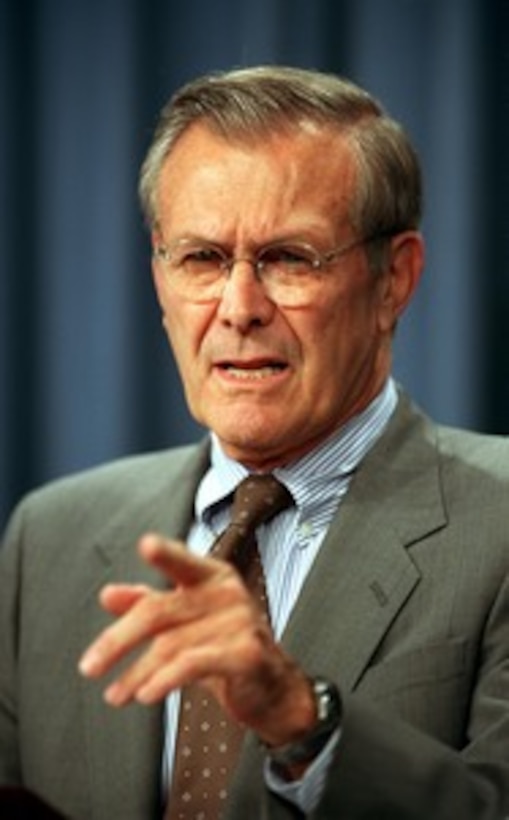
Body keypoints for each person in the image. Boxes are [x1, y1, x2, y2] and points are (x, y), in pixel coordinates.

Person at [0, 65, 508, 820]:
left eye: (288, 258)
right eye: (202, 258)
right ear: (158, 277)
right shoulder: (51, 535)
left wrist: (305, 721)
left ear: (393, 280)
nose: (238, 308)